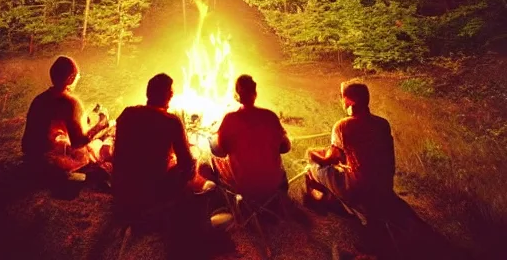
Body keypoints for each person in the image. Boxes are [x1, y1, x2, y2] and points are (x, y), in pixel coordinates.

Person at [112, 73, 196, 217]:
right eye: (171, 92)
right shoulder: (171, 121)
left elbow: (119, 150)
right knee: (192, 164)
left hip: (121, 188)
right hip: (152, 193)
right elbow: (186, 162)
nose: (172, 95)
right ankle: (168, 206)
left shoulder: (127, 113)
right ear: (168, 95)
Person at [306, 80, 395, 212]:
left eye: (342, 95)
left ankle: (319, 202)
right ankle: (335, 197)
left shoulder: (342, 126)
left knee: (314, 167)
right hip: (385, 188)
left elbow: (329, 160)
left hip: (359, 191)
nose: (341, 99)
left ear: (349, 100)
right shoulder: (383, 123)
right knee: (345, 167)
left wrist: (310, 152)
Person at [22, 55, 109, 181]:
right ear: (71, 78)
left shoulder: (40, 99)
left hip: (30, 157)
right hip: (49, 162)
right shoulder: (70, 102)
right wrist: (101, 124)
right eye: (77, 76)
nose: (78, 79)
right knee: (94, 148)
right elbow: (78, 142)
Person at [207, 74, 291, 203]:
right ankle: (277, 197)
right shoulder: (270, 116)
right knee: (278, 163)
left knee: (212, 161)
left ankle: (224, 200)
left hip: (246, 186)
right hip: (274, 184)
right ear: (255, 93)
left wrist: (212, 138)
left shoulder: (230, 119)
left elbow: (221, 152)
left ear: (237, 95)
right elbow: (285, 147)